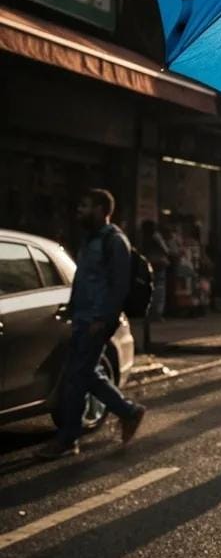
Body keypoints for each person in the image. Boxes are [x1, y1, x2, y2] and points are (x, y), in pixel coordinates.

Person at [35, 189, 146, 460]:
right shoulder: (90, 239)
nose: (79, 210)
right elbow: (83, 279)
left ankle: (68, 438)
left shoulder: (114, 241)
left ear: (100, 209)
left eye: (84, 206)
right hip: (82, 318)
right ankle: (128, 411)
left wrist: (103, 319)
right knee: (84, 374)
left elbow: (119, 286)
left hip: (97, 321)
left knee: (77, 376)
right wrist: (72, 309)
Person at [140, 220, 169, 322]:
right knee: (159, 288)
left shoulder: (143, 237)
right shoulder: (156, 236)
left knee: (150, 288)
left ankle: (149, 312)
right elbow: (165, 249)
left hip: (149, 263)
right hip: (159, 264)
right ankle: (157, 313)